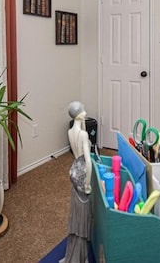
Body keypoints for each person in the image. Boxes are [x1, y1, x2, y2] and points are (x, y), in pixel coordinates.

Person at [61, 101, 92, 263]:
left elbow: (77, 150)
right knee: (83, 211)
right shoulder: (83, 135)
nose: (85, 112)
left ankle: (74, 251)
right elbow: (88, 162)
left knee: (76, 209)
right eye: (83, 110)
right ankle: (80, 256)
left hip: (73, 169)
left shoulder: (70, 132)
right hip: (82, 173)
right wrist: (87, 183)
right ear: (79, 114)